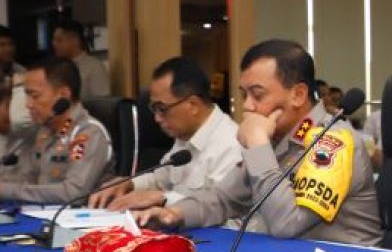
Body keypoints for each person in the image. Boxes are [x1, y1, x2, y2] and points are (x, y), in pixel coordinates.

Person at [135, 39, 381, 245]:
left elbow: (288, 224)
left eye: (257, 94)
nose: (248, 106)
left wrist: (258, 149)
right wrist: (173, 214)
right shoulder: (275, 137)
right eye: (244, 95)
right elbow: (224, 199)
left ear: (298, 95)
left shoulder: (332, 140)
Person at [89, 57, 240, 211]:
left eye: (162, 109)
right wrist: (129, 184)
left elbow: (220, 208)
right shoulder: (185, 137)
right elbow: (160, 180)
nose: (157, 118)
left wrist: (161, 199)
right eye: (154, 109)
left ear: (193, 105)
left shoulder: (232, 145)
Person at [0, 57, 112, 203]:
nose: (28, 104)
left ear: (63, 95)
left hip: (80, 214)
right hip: (40, 212)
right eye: (27, 96)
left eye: (35, 96)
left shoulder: (88, 132)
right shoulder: (43, 131)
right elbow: (28, 178)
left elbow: (74, 193)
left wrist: (6, 190)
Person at [51, 20, 111, 99]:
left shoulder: (94, 67)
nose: (54, 44)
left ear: (75, 40)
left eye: (59, 40)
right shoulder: (56, 67)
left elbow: (102, 101)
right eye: (54, 40)